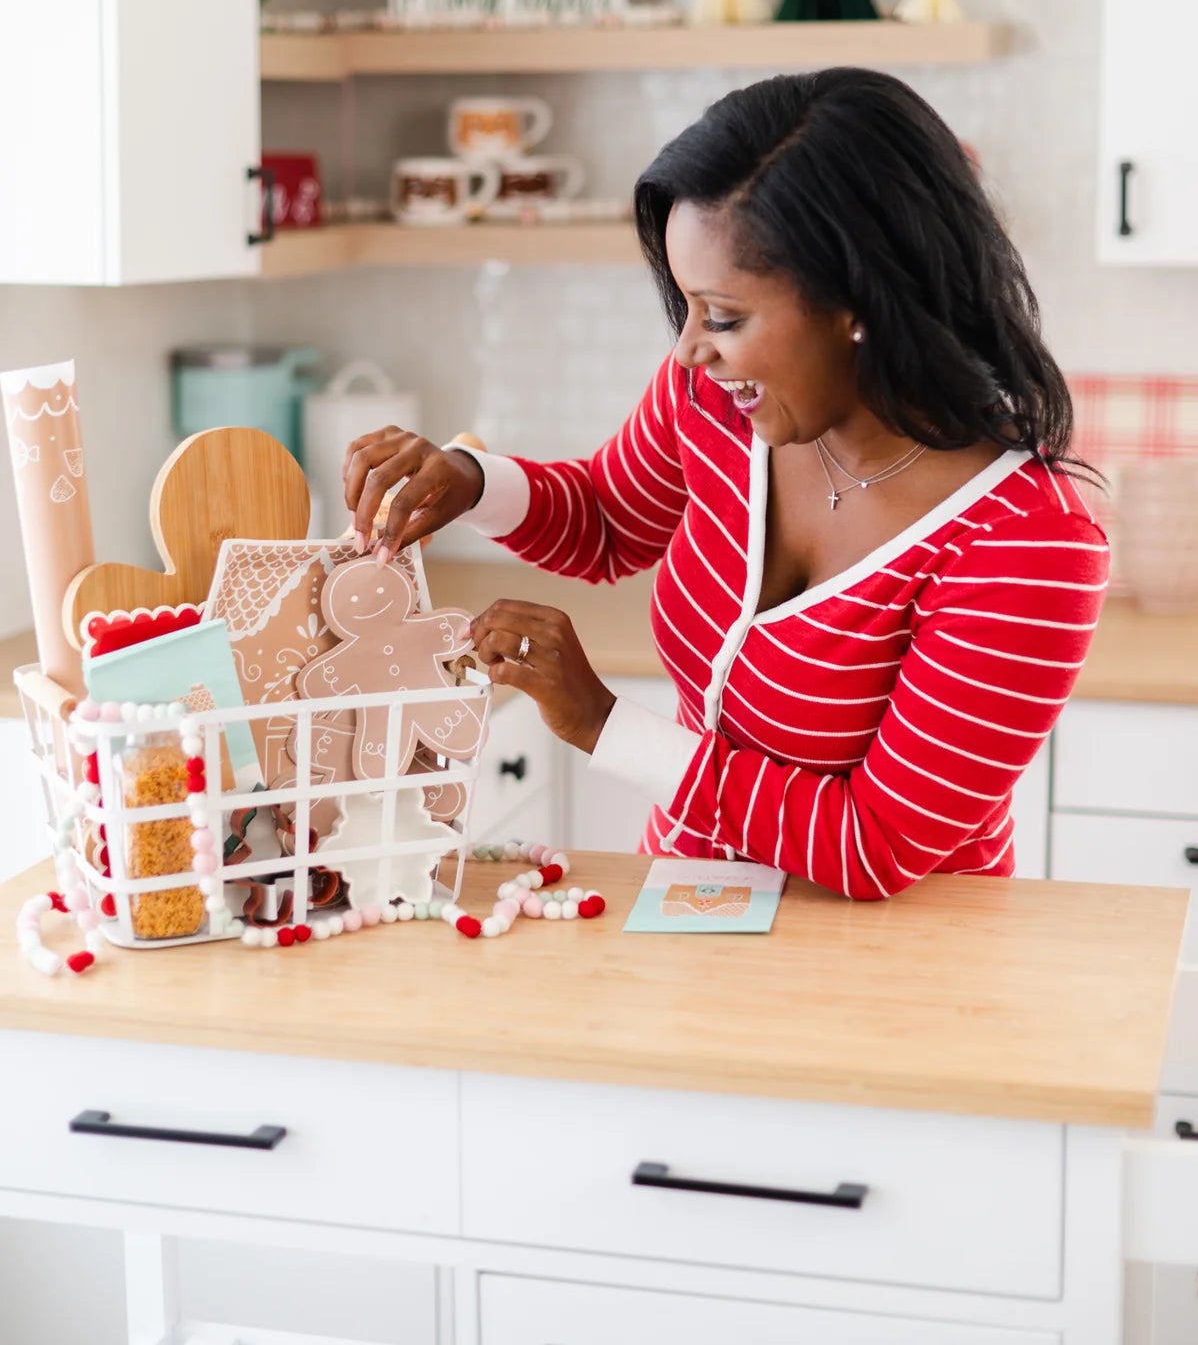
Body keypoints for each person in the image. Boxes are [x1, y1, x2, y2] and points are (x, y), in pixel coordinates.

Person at [343, 70, 1108, 899]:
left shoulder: (1029, 542)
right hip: (694, 911)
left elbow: (873, 843)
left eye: (726, 316)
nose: (688, 351)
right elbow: (605, 519)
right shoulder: (715, 400)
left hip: (900, 969)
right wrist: (469, 482)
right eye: (688, 306)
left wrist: (602, 724)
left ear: (861, 302)